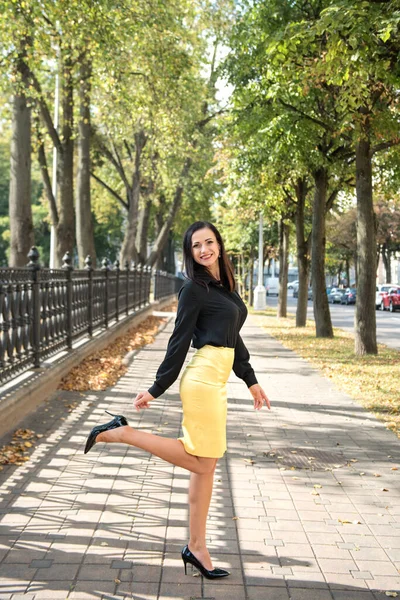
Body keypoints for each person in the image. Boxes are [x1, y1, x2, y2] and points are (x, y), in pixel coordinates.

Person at [84, 221, 271, 579]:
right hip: (202, 379)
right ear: (190, 253)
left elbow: (234, 337)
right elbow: (179, 341)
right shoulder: (194, 289)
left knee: (207, 465)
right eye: (196, 246)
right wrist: (157, 388)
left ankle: (197, 548)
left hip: (217, 379)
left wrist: (251, 381)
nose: (204, 250)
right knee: (201, 462)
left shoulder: (225, 288)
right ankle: (123, 433)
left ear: (219, 244)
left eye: (209, 242)